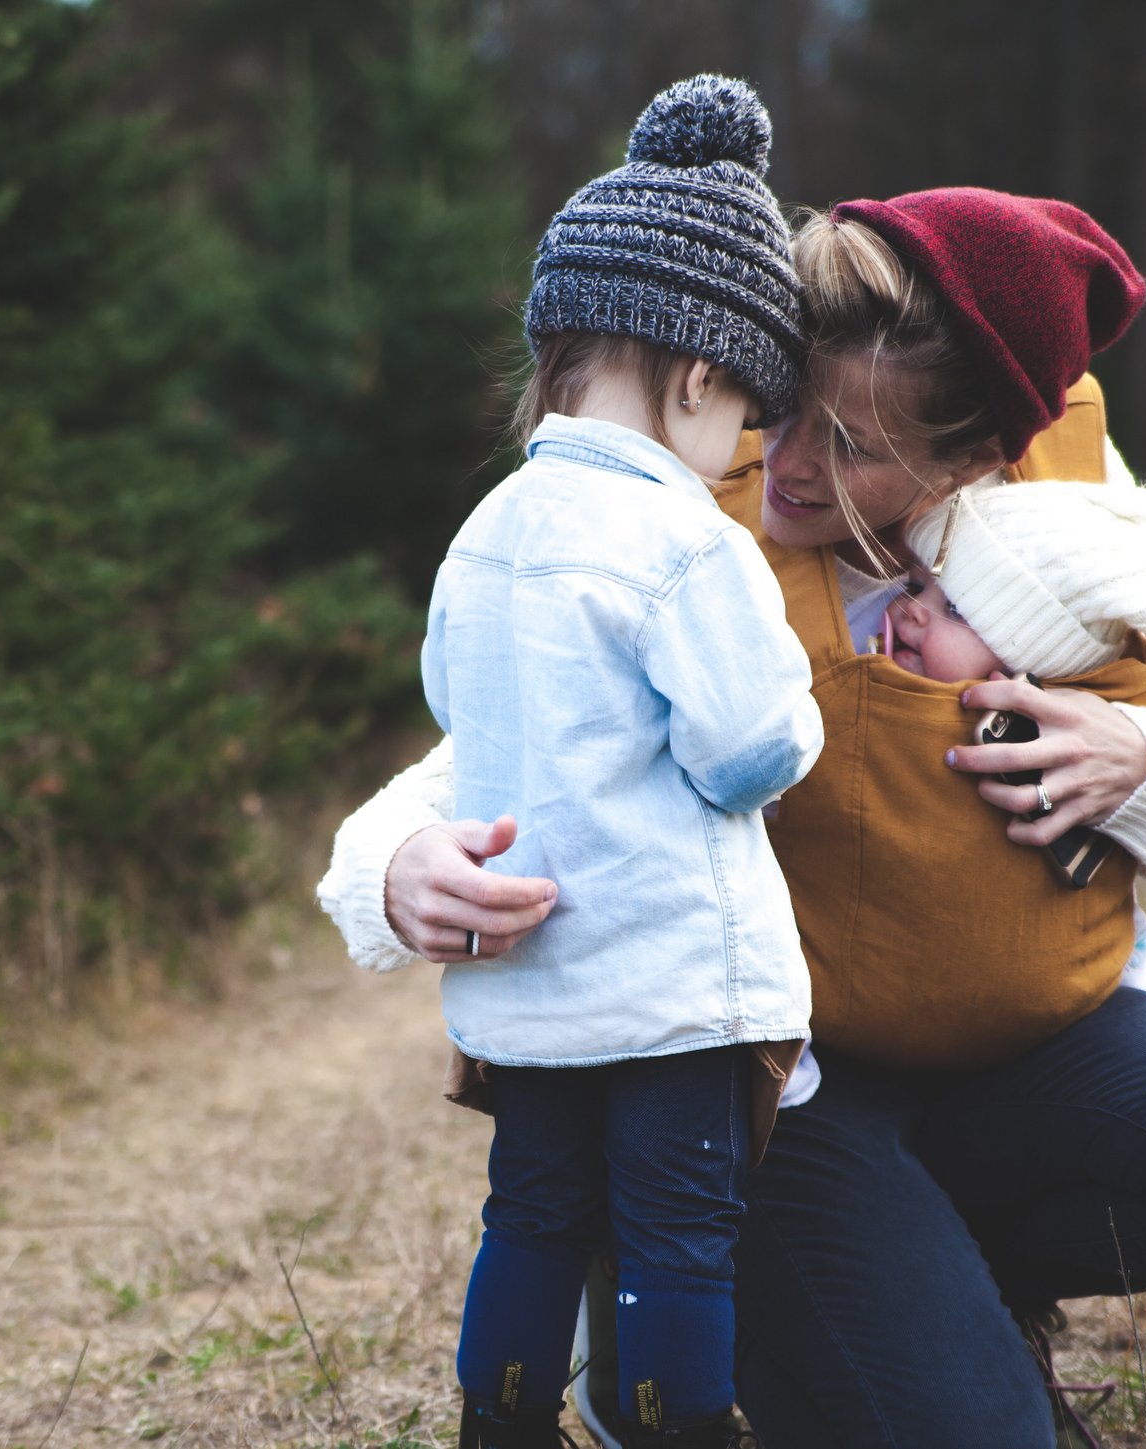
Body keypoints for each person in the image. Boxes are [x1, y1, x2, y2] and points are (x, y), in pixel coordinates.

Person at [318, 187, 1146, 1448]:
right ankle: (711, 1293)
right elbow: (504, 739)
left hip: (1018, 1052)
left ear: (977, 458)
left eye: (858, 447)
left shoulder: (1062, 535)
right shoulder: (685, 511)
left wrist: (1142, 760)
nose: (798, 465)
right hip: (780, 1086)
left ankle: (917, 1284)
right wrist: (392, 867)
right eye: (789, 409)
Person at [428, 76, 822, 1449]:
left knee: (532, 1214)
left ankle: (502, 1421)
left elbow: (457, 711)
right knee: (676, 1236)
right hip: (670, 983)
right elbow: (746, 749)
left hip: (529, 987)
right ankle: (677, 1428)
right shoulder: (685, 540)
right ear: (701, 376)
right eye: (744, 424)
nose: (738, 460)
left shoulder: (485, 530)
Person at [764, 475, 1146, 1073]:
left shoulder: (1074, 714)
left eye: (954, 609)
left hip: (1074, 1016)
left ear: (1033, 665)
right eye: (917, 585)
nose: (908, 612)